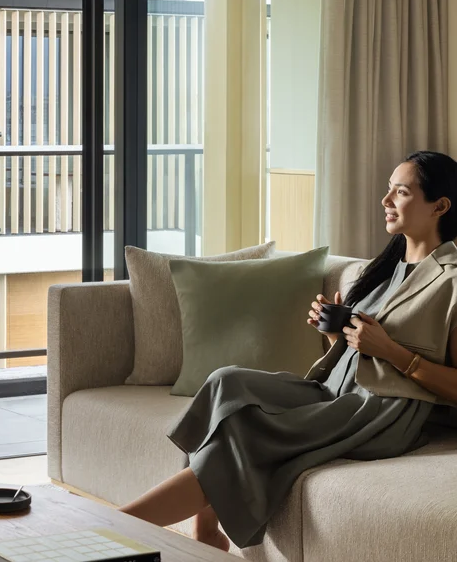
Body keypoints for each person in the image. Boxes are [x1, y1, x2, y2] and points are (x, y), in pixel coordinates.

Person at [120, 150, 457, 551]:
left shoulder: (450, 281)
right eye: (388, 190)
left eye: (400, 193)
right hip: (333, 390)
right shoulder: (389, 267)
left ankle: (116, 529)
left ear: (440, 206)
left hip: (378, 412)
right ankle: (205, 532)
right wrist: (336, 335)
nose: (385, 201)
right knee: (226, 382)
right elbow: (361, 353)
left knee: (244, 428)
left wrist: (389, 350)